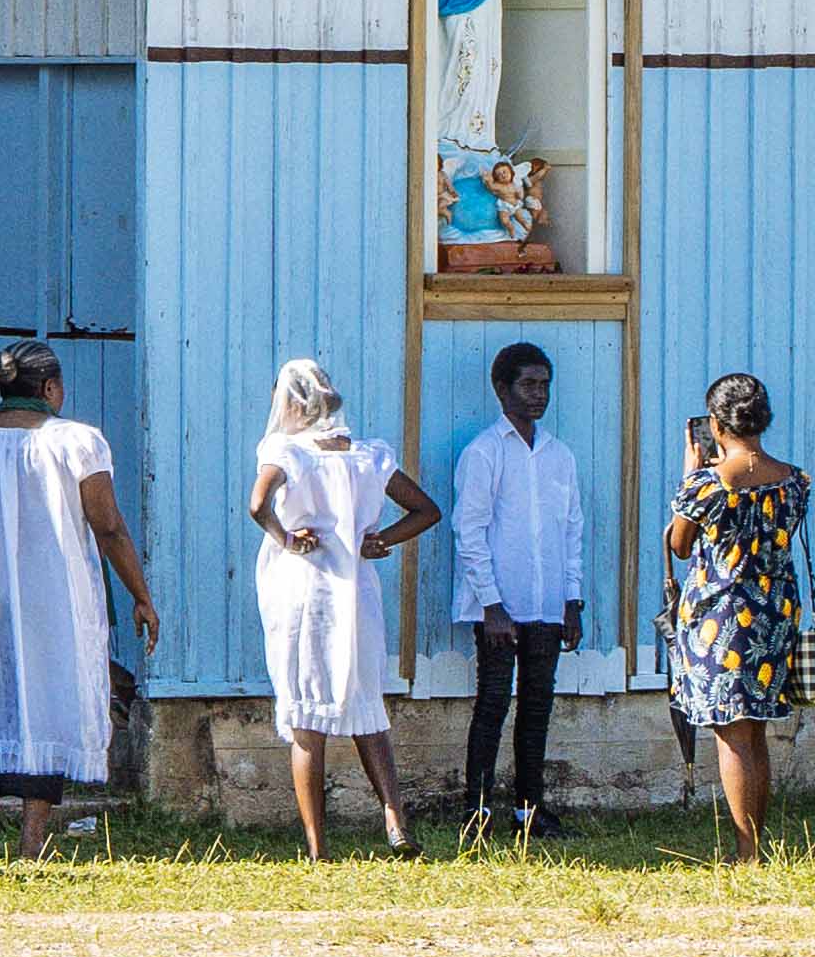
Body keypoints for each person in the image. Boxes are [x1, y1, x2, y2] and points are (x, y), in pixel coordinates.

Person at [0, 340, 152, 856]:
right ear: (51, 388)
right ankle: (33, 842)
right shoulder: (78, 441)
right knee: (50, 710)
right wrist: (141, 596)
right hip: (59, 602)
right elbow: (108, 527)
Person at [241, 359, 429, 863]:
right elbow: (425, 510)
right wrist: (381, 539)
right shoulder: (368, 455)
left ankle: (318, 847)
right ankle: (394, 817)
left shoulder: (287, 452)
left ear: (295, 404)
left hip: (305, 590)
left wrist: (285, 538)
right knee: (367, 706)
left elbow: (258, 504)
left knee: (307, 716)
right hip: (357, 592)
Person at [661, 374, 815, 867]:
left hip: (722, 614)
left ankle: (746, 852)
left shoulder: (707, 484)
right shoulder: (794, 480)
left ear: (715, 424)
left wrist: (691, 476)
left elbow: (680, 545)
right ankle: (757, 840)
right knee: (754, 730)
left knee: (730, 732)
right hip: (774, 610)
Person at [440, 337, 590, 836]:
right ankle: (477, 810)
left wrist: (572, 600)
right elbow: (470, 529)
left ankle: (531, 810)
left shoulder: (559, 455)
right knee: (492, 706)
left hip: (546, 604)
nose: (538, 395)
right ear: (501, 389)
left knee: (537, 708)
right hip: (499, 610)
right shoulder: (484, 453)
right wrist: (492, 605)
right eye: (528, 385)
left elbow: (572, 531)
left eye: (544, 385)